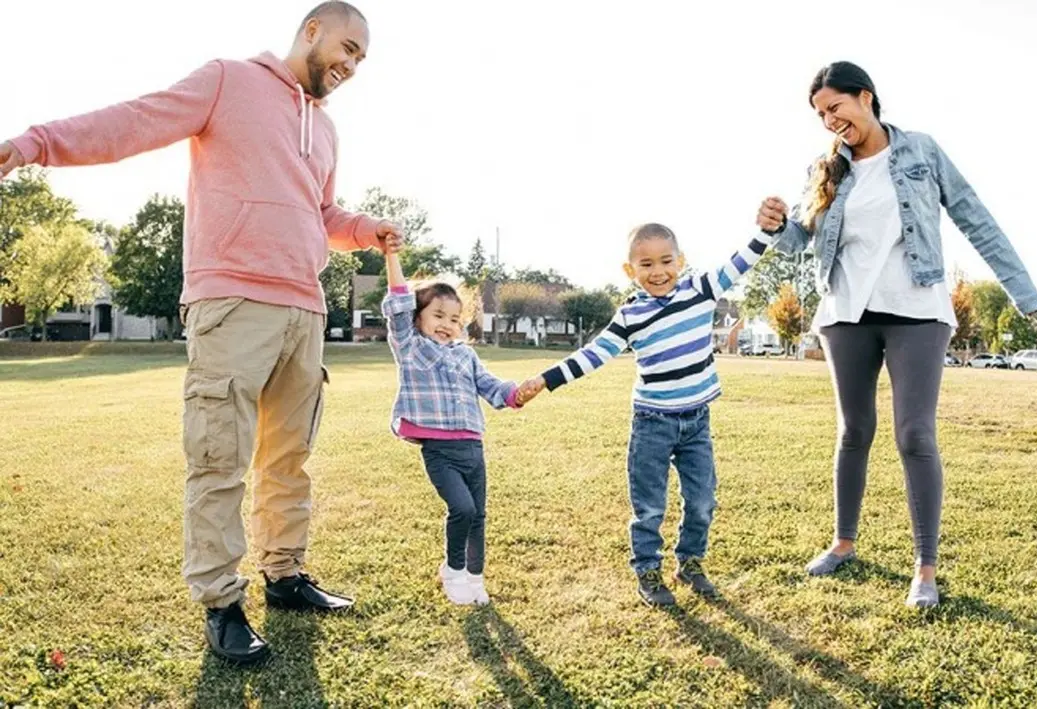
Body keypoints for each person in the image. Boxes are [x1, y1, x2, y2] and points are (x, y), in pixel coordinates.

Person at [0, 1, 403, 663]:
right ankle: (221, 602)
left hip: (305, 308)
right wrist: (34, 143)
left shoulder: (325, 131)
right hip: (232, 302)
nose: (352, 64)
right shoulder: (227, 81)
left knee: (288, 457)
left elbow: (320, 209)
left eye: (362, 57)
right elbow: (133, 121)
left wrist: (363, 229)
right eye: (348, 46)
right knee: (219, 457)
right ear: (311, 30)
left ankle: (285, 572)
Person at [756, 61, 1037, 608]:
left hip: (917, 306)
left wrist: (1025, 295)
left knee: (915, 433)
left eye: (834, 107)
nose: (829, 121)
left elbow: (976, 219)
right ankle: (843, 543)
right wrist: (776, 226)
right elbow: (801, 239)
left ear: (865, 97)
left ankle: (925, 568)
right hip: (846, 310)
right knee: (853, 430)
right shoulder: (827, 169)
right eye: (820, 115)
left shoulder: (922, 151)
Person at [519, 223, 778, 607]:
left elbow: (741, 262)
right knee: (650, 505)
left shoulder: (702, 289)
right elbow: (595, 353)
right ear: (630, 271)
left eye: (666, 261)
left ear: (681, 261)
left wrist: (767, 230)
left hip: (696, 422)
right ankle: (647, 569)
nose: (658, 272)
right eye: (646, 264)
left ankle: (690, 563)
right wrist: (547, 378)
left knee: (703, 500)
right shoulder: (630, 315)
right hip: (652, 423)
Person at [379, 236, 532, 607]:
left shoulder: (466, 356)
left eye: (454, 318)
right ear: (418, 319)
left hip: (473, 447)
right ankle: (453, 569)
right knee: (461, 510)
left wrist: (515, 393)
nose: (447, 325)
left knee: (478, 515)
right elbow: (398, 304)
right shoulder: (411, 347)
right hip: (440, 451)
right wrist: (392, 255)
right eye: (438, 316)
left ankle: (474, 579)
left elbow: (490, 385)